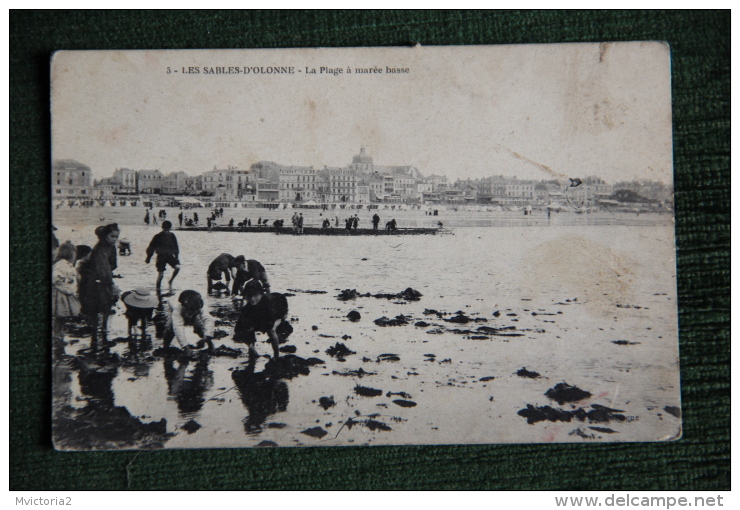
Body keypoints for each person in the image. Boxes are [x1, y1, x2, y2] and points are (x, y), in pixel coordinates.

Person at [77, 224, 121, 345]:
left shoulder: (111, 247)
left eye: (116, 237)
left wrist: (108, 277)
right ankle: (95, 335)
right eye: (112, 236)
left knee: (106, 304)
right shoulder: (99, 249)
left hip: (102, 279)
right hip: (92, 281)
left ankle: (103, 331)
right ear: (104, 236)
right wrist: (111, 284)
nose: (114, 239)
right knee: (94, 308)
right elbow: (103, 268)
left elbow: (112, 265)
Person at [233, 280, 288, 358]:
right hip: (261, 312)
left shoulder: (268, 304)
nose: (252, 299)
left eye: (255, 295)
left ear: (261, 294)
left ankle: (276, 355)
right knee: (247, 327)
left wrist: (256, 326)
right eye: (249, 296)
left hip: (279, 307)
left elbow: (268, 324)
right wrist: (250, 346)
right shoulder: (246, 309)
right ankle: (252, 350)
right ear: (245, 296)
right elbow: (238, 329)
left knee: (271, 330)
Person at [52, 242, 81, 347]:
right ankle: (57, 335)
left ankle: (60, 334)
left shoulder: (67, 264)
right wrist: (67, 280)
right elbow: (55, 278)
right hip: (61, 293)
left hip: (66, 292)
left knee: (62, 316)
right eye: (74, 253)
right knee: (59, 316)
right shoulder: (61, 265)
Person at [145, 220, 180, 294]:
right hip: (161, 256)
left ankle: (170, 281)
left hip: (169, 256)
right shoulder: (158, 236)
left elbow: (175, 247)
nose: (167, 231)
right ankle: (158, 289)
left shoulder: (171, 235)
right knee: (161, 275)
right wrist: (148, 257)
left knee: (176, 268)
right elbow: (151, 247)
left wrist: (176, 256)